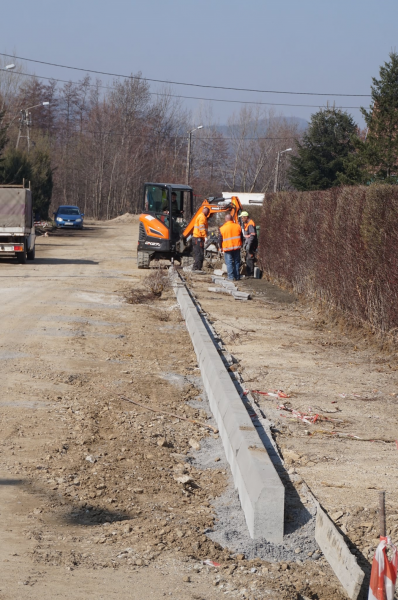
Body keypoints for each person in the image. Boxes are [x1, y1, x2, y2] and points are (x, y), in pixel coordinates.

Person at [218, 213, 242, 281]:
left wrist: (220, 247)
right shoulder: (238, 226)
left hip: (227, 248)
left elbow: (220, 239)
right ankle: (237, 276)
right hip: (237, 247)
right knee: (237, 261)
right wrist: (241, 244)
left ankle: (231, 277)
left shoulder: (222, 228)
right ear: (232, 219)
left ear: (226, 220)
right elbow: (241, 237)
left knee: (229, 262)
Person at [240, 211, 258, 277]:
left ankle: (250, 274)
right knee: (248, 258)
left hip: (252, 244)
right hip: (249, 243)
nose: (242, 219)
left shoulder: (250, 224)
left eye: (242, 218)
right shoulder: (247, 223)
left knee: (250, 258)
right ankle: (249, 273)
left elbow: (252, 236)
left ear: (246, 217)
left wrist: (249, 244)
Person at [192, 206, 209, 271]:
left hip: (198, 237)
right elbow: (202, 227)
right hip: (198, 238)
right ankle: (196, 268)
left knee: (199, 253)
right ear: (206, 212)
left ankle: (197, 267)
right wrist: (205, 236)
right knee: (199, 253)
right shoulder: (202, 217)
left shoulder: (201, 216)